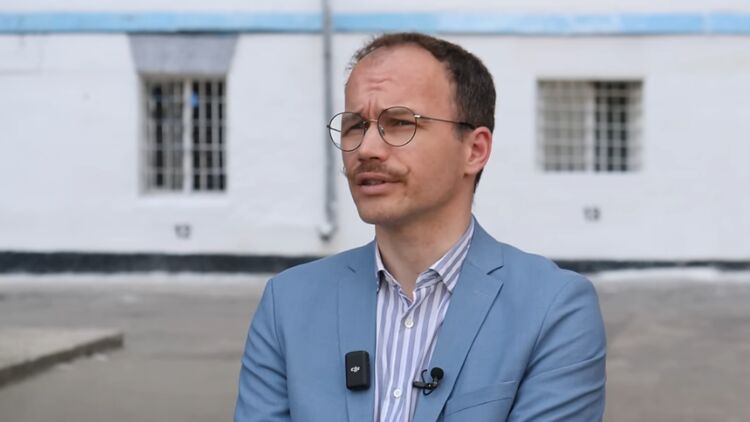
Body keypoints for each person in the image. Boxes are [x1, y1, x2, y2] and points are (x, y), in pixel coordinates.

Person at [234, 32, 606, 422]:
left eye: (399, 123)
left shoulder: (552, 310)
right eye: (355, 125)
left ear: (474, 150)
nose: (366, 149)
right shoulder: (288, 305)